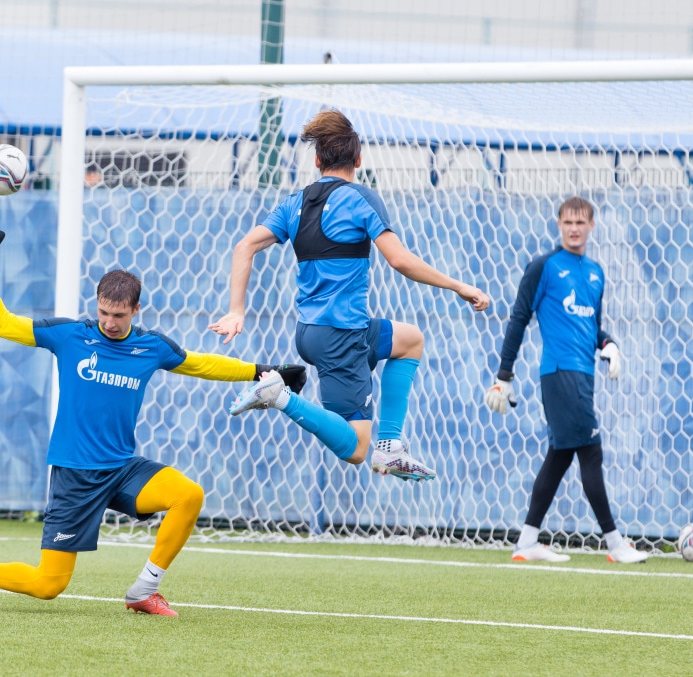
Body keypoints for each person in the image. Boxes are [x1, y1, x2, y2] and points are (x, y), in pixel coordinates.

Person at [0, 228, 307, 616]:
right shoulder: (69, 336)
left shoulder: (151, 346)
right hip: (76, 474)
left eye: (118, 315)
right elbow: (0, 323)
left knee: (189, 495)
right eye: (103, 312)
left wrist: (261, 371)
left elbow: (202, 363)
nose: (109, 322)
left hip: (120, 468)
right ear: (96, 304)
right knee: (48, 585)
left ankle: (143, 590)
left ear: (135, 310)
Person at [210, 109, 490, 481]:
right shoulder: (360, 198)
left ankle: (390, 447)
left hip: (313, 331)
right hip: (341, 335)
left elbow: (244, 246)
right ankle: (281, 396)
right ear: (358, 160)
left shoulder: (295, 203)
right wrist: (459, 285)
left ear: (316, 160)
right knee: (357, 449)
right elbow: (400, 260)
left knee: (410, 340)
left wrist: (236, 310)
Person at [484, 196, 648, 564]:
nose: (574, 228)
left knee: (559, 456)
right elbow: (518, 319)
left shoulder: (595, 272)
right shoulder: (544, 266)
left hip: (583, 375)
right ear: (558, 224)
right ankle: (615, 543)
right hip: (559, 374)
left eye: (581, 222)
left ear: (591, 226)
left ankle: (527, 541)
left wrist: (609, 345)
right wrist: (503, 376)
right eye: (568, 221)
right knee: (590, 451)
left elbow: (591, 328)